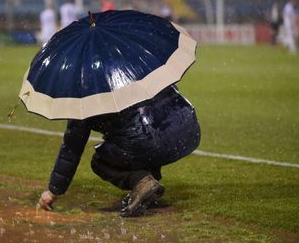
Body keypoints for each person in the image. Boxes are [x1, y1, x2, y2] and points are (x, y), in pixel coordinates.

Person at [38, 85, 201, 217]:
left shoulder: (85, 90)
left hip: (148, 139)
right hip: (185, 129)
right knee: (141, 134)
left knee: (101, 161)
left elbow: (72, 148)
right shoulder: (138, 63)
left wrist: (54, 190)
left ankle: (142, 181)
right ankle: (150, 187)